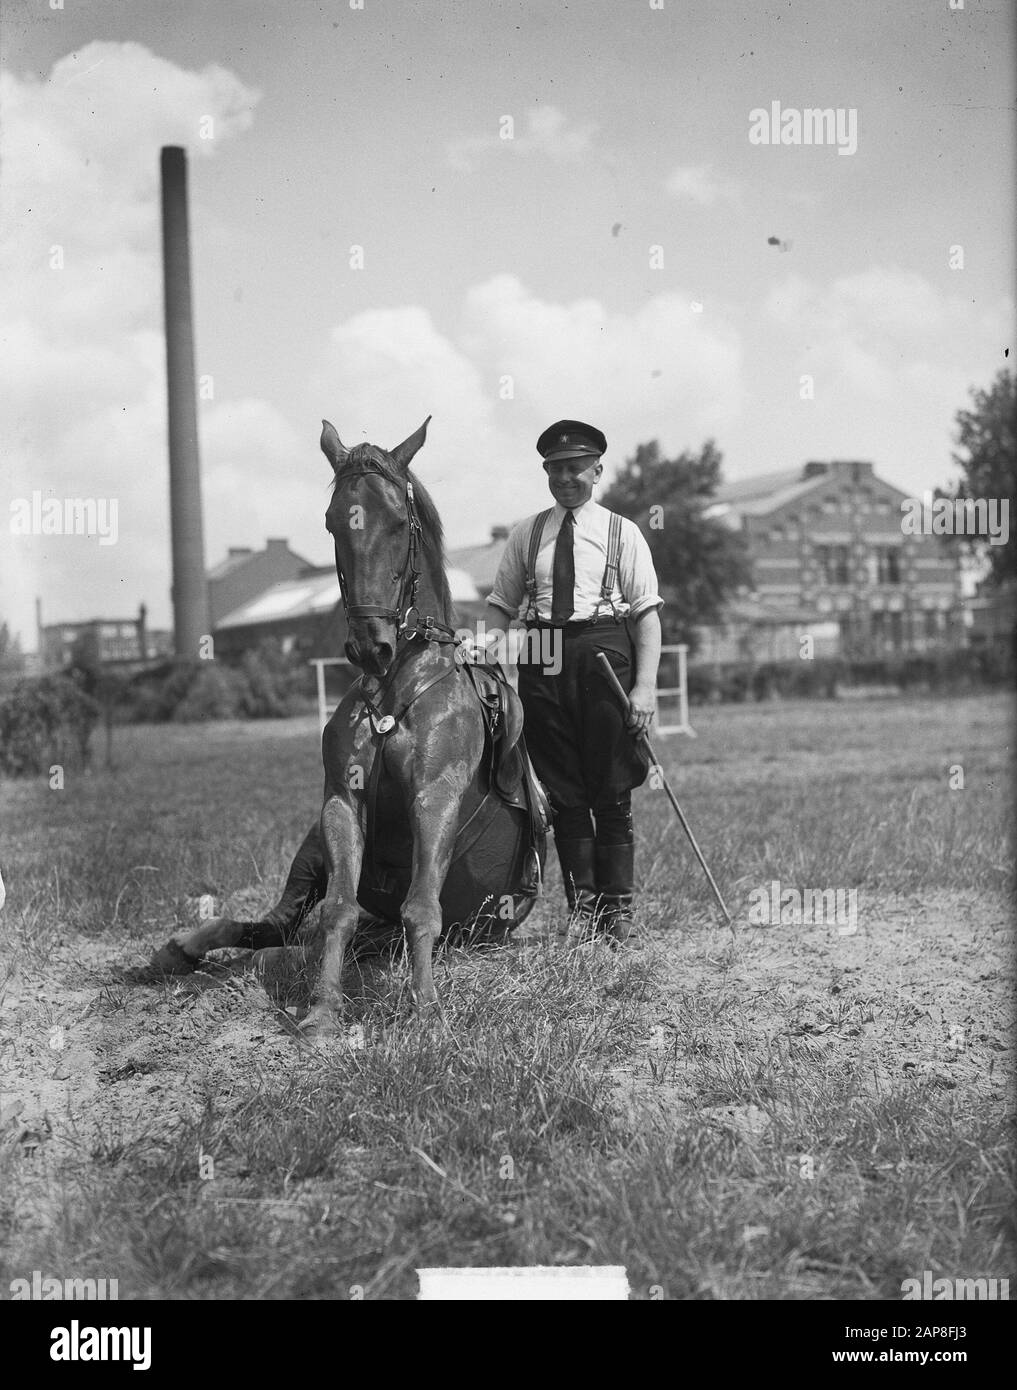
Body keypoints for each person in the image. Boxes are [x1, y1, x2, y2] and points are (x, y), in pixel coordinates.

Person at [484, 420, 662, 941]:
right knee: (562, 791)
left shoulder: (621, 532)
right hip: (543, 653)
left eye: (575, 468)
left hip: (604, 650)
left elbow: (646, 616)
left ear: (597, 471)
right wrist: (487, 653)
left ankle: (618, 912)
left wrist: (645, 688)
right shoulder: (528, 533)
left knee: (609, 788)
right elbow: (499, 608)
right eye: (555, 469)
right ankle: (583, 911)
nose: (565, 478)